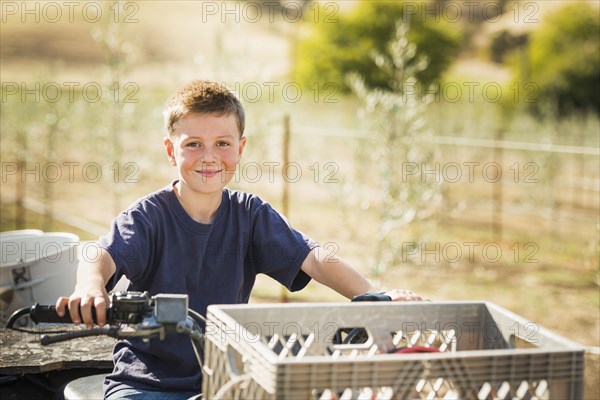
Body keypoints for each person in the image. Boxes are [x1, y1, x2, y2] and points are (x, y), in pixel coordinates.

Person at [55, 80, 422, 399]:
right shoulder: (149, 216)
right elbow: (100, 253)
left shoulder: (250, 214)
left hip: (226, 379)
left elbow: (313, 257)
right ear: (171, 151)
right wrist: (90, 286)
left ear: (241, 148)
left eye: (223, 143)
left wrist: (374, 299)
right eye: (194, 144)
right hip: (147, 382)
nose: (210, 157)